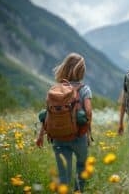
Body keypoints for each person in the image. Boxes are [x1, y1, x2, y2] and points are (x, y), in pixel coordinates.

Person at [36, 53, 92, 192]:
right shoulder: (84, 89)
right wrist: (88, 130)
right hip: (79, 136)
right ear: (81, 70)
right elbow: (89, 112)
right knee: (81, 166)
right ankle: (78, 191)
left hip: (58, 137)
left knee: (63, 175)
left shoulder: (55, 90)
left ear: (65, 68)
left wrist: (40, 135)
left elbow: (48, 114)